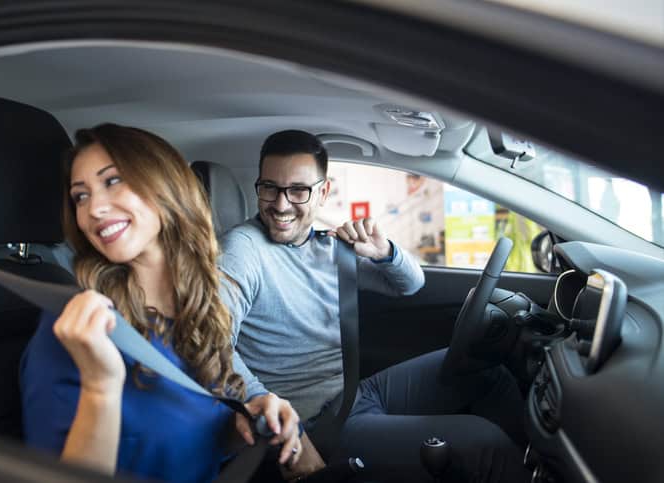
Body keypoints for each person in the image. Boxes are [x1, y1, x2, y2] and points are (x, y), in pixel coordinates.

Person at [219, 130, 530, 482]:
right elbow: (211, 342)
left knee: (487, 371)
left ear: (323, 192)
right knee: (483, 443)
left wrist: (385, 254)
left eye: (297, 190)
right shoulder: (241, 250)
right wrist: (266, 409)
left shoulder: (327, 246)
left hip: (356, 391)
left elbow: (411, 283)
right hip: (317, 424)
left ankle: (530, 467)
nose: (281, 204)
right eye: (270, 188)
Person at [19, 124, 303, 483]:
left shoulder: (202, 312)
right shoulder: (77, 328)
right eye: (81, 196)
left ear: (166, 186)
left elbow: (195, 445)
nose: (95, 209)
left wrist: (248, 422)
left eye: (112, 181)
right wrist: (100, 387)